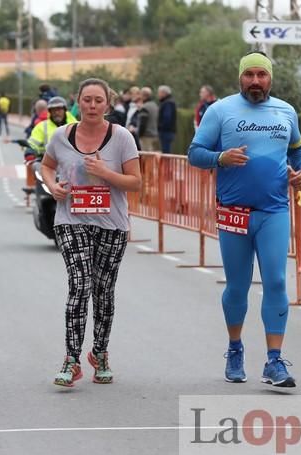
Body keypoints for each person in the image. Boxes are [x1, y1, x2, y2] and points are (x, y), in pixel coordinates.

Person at [188, 51, 301, 387]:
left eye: (262, 75)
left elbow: (299, 149)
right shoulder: (220, 111)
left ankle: (274, 361)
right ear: (240, 78)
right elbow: (194, 153)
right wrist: (221, 157)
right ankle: (235, 348)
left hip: (274, 211)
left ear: (270, 78)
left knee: (275, 282)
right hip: (234, 213)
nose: (255, 81)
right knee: (238, 287)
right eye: (249, 75)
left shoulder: (286, 111)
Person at [40, 78, 142, 387]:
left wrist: (105, 174)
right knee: (79, 284)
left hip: (111, 224)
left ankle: (99, 353)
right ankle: (72, 359)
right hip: (70, 219)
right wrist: (52, 185)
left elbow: (135, 182)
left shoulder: (122, 137)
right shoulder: (61, 135)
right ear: (78, 103)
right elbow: (46, 165)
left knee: (103, 291)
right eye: (87, 100)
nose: (92, 106)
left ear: (108, 105)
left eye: (98, 100)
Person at [138, 86, 159, 151]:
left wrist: (139, 134)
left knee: (146, 158)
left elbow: (143, 123)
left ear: (144, 95)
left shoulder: (145, 107)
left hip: (146, 136)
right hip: (155, 135)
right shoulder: (155, 106)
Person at [157, 85, 177, 153]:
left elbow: (167, 118)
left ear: (164, 93)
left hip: (166, 132)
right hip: (168, 131)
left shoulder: (168, 103)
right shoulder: (168, 102)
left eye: (159, 93)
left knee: (166, 151)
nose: (158, 94)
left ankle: (166, 164)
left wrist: (160, 127)